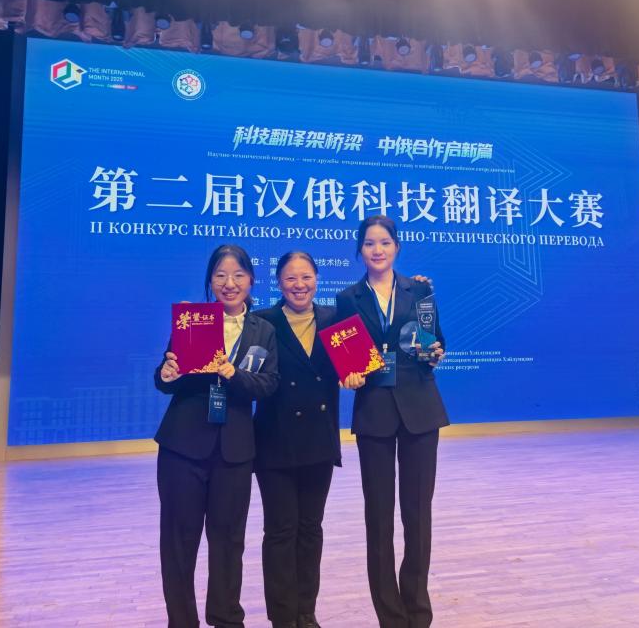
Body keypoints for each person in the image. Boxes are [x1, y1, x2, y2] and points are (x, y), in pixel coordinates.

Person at [154, 244, 279, 628]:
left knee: (228, 541)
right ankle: (182, 622)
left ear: (251, 280)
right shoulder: (194, 320)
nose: (229, 283)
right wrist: (167, 374)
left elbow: (267, 385)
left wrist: (232, 374)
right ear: (210, 280)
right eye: (221, 275)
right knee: (179, 542)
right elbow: (166, 377)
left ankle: (226, 618)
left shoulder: (264, 330)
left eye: (238, 275)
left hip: (235, 451)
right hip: (183, 447)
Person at [335, 216, 449, 628]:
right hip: (374, 412)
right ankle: (390, 615)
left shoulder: (419, 290)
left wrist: (436, 352)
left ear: (397, 246)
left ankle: (418, 612)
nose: (377, 250)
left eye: (384, 242)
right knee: (379, 517)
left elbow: (436, 340)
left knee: (417, 514)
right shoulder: (347, 298)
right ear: (359, 250)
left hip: (420, 408)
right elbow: (346, 357)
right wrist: (348, 374)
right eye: (369, 243)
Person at [253, 251, 341, 628]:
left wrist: (359, 375)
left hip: (319, 442)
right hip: (274, 443)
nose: (299, 285)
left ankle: (306, 612)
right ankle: (282, 617)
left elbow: (361, 365)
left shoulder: (336, 319)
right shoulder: (262, 322)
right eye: (291, 278)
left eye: (306, 277)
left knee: (310, 530)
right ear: (278, 282)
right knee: (280, 531)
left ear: (317, 280)